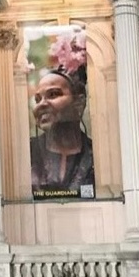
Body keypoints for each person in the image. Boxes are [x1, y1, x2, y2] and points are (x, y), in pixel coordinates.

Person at [30, 68, 95, 198]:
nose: (40, 105)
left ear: (79, 103)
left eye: (53, 94)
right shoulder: (26, 153)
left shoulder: (96, 154)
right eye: (37, 99)